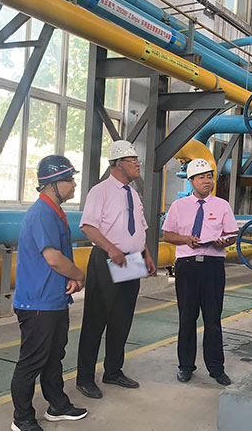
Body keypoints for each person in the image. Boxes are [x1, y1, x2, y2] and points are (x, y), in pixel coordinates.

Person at [10, 155, 88, 431]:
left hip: (53, 300)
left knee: (54, 357)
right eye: (69, 180)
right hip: (37, 303)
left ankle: (57, 405)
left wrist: (70, 280)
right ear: (52, 184)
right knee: (32, 361)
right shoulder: (42, 213)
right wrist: (79, 275)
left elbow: (59, 258)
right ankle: (22, 419)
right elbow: (53, 258)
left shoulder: (55, 212)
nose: (74, 184)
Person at [75, 140, 157, 399]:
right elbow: (88, 227)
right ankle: (85, 378)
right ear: (118, 163)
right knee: (95, 319)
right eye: (133, 160)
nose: (138, 164)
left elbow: (140, 228)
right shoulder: (100, 191)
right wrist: (111, 249)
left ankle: (113, 370)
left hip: (131, 261)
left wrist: (146, 254)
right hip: (107, 260)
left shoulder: (133, 193)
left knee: (122, 319)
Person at [162, 158, 238, 386]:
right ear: (191, 180)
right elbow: (168, 235)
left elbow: (232, 234)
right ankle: (185, 366)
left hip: (213, 266)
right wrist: (186, 239)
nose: (207, 181)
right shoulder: (179, 206)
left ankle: (216, 368)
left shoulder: (222, 205)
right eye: (202, 177)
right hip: (187, 266)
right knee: (187, 317)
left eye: (210, 177)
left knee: (213, 318)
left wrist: (225, 241)